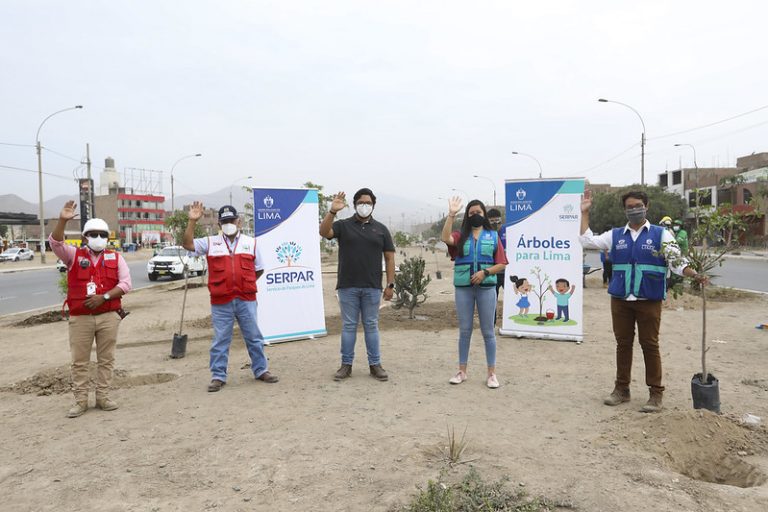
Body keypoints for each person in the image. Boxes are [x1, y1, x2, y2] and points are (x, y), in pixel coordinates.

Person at [580, 190, 707, 412]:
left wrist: (694, 274)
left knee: (649, 345)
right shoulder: (616, 235)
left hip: (649, 299)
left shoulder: (661, 235)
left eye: (638, 205)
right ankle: (621, 390)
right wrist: (585, 213)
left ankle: (656, 394)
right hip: (621, 300)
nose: (634, 209)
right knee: (623, 345)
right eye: (629, 206)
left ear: (646, 206)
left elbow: (677, 261)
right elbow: (587, 241)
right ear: (625, 209)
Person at [183, 202, 278, 392]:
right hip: (221, 301)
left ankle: (261, 370)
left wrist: (245, 282)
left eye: (231, 220)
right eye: (224, 221)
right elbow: (187, 244)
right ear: (219, 225)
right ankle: (218, 376)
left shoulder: (251, 243)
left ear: (239, 221)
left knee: (254, 337)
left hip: (246, 299)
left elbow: (258, 269)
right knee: (220, 340)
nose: (228, 224)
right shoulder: (210, 243)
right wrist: (192, 221)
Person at [50, 201, 132, 418]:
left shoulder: (116, 257)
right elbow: (56, 243)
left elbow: (126, 284)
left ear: (108, 237)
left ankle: (103, 397)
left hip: (108, 317)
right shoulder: (73, 255)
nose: (98, 238)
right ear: (85, 237)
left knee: (106, 359)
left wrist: (103, 297)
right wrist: (63, 221)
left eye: (102, 234)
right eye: (93, 234)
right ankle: (80, 401)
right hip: (81, 319)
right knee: (80, 361)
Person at [319, 188, 395, 382]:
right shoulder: (343, 226)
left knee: (371, 325)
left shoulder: (381, 229)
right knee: (349, 326)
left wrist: (390, 285)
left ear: (373, 206)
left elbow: (389, 258)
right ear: (354, 205)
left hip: (372, 286)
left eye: (368, 203)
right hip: (347, 286)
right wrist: (333, 211)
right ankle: (346, 365)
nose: (365, 206)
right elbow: (323, 231)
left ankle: (375, 365)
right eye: (361, 202)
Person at [442, 197, 508, 389]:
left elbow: (502, 263)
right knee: (465, 330)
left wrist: (485, 272)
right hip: (464, 289)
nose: (475, 216)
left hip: (486, 288)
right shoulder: (460, 235)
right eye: (471, 213)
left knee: (488, 331)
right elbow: (445, 238)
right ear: (467, 216)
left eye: (478, 212)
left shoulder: (493, 236)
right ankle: (462, 371)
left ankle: (491, 374)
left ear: (484, 215)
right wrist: (451, 215)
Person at [487, 208, 506, 324]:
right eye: (492, 222)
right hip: (492, 273)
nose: (495, 225)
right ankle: (491, 324)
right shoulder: (485, 233)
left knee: (512, 298)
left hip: (507, 273)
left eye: (497, 222)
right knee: (491, 301)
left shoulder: (508, 230)